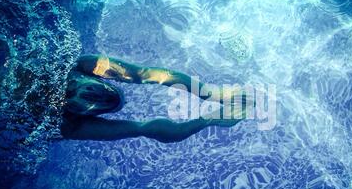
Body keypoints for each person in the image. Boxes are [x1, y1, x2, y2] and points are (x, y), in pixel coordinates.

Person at [61, 55, 245, 143]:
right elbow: (147, 128)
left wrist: (211, 106)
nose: (68, 88)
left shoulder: (77, 66)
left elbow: (148, 74)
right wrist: (211, 101)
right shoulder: (69, 125)